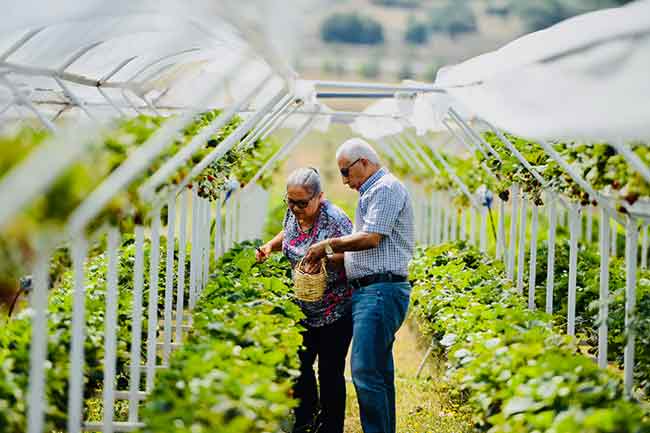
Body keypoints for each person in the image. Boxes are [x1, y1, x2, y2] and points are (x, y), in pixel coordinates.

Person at [303, 138, 415, 433]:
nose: (344, 180)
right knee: (378, 371)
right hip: (371, 290)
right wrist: (329, 261)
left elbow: (372, 238)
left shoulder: (385, 188)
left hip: (379, 291)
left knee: (365, 370)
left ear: (363, 162)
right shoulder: (372, 192)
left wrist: (326, 245)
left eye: (345, 172)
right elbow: (365, 250)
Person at [256, 167, 353, 433]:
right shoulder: (293, 212)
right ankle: (305, 420)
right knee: (299, 366)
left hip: (335, 308)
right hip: (302, 308)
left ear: (319, 197)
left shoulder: (335, 219)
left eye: (302, 203)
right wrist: (268, 247)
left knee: (330, 372)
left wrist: (326, 257)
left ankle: (331, 427)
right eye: (291, 201)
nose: (296, 208)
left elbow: (355, 253)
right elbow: (287, 234)